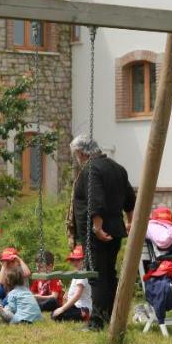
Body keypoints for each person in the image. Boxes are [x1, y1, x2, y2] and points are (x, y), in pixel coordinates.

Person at [68, 135, 136, 330]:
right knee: (108, 274)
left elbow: (95, 200)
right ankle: (113, 317)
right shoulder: (117, 168)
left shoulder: (91, 170)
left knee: (97, 275)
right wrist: (129, 221)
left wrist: (97, 227)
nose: (77, 158)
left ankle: (97, 322)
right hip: (115, 230)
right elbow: (130, 198)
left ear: (82, 152)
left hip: (97, 232)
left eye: (76, 154)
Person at [53, 246, 92, 322]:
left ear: (84, 260)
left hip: (82, 307)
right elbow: (74, 289)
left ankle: (84, 315)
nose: (75, 262)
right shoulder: (76, 273)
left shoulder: (83, 274)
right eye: (73, 260)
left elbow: (77, 295)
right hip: (75, 306)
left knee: (57, 315)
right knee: (54, 313)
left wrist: (63, 308)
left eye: (78, 260)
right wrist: (67, 292)